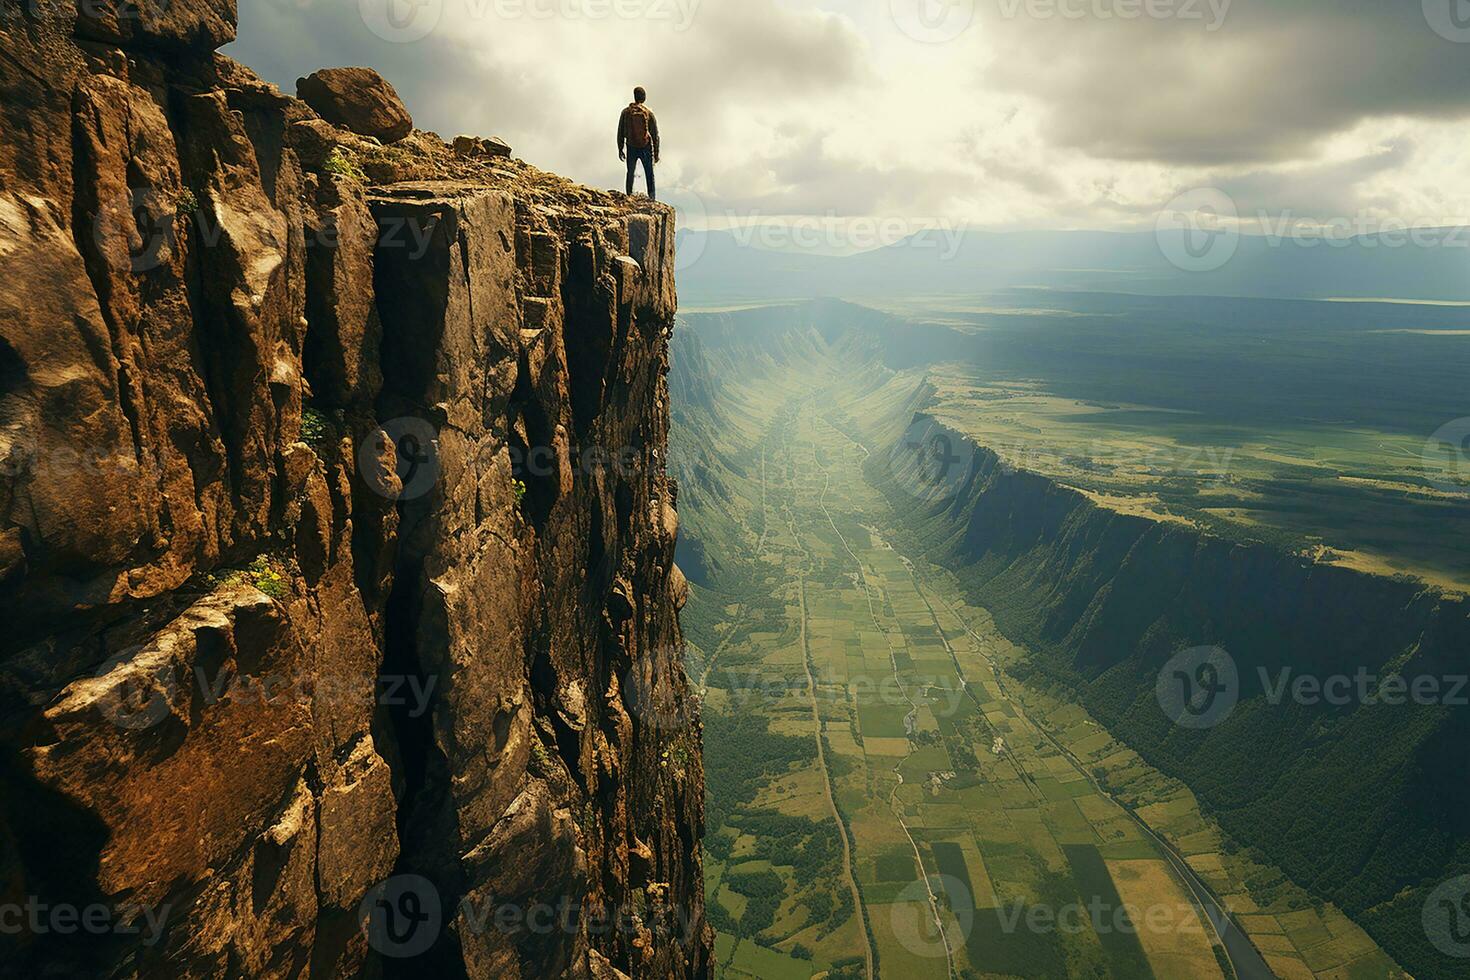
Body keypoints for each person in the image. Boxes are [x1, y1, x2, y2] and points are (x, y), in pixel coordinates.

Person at [618, 86, 660, 200]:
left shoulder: (626, 112)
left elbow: (620, 131)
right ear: (644, 98)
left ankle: (628, 196)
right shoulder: (648, 113)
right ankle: (652, 199)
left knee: (630, 172)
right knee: (649, 174)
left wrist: (620, 148)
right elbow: (655, 135)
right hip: (645, 147)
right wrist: (656, 153)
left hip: (631, 145)